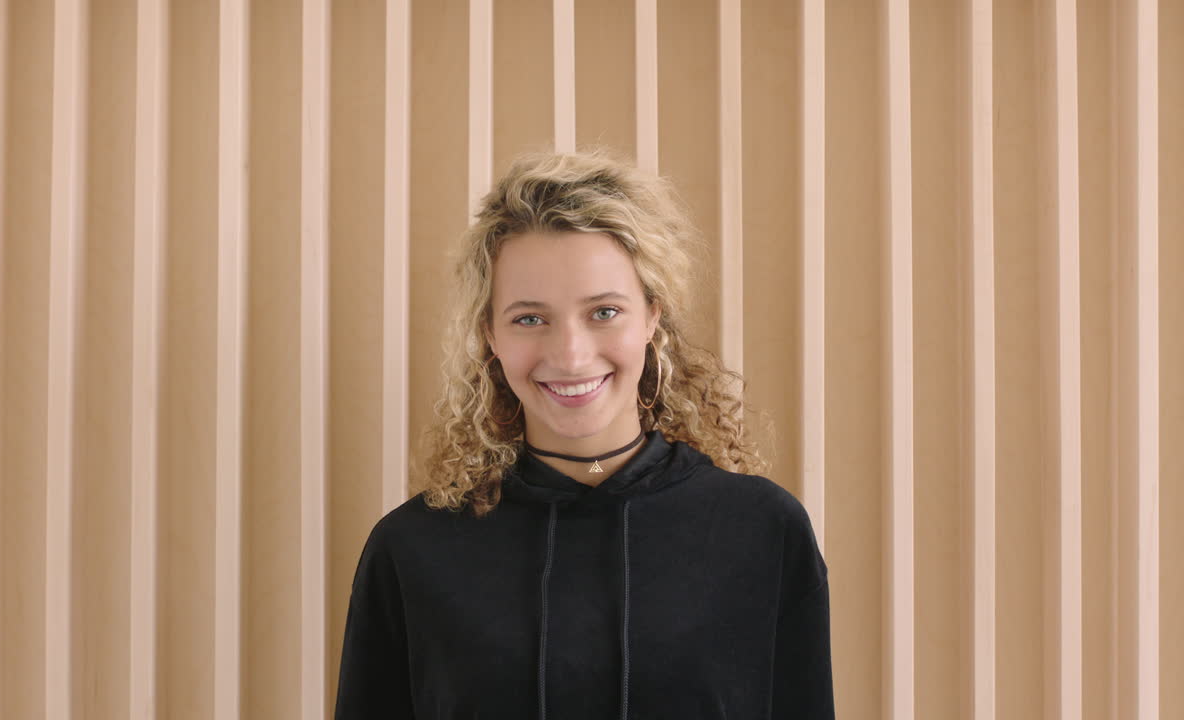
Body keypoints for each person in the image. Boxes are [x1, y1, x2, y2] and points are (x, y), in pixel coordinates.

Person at [334, 147, 834, 719]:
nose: (570, 355)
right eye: (529, 318)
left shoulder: (763, 532)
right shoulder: (411, 550)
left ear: (652, 316)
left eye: (604, 312)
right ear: (490, 335)